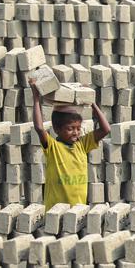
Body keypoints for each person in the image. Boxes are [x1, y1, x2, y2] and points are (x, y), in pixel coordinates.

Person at [30, 77, 111, 210]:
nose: (75, 132)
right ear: (57, 129)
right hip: (55, 211)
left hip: (78, 211)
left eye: (78, 128)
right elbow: (39, 128)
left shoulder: (82, 144)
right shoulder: (53, 147)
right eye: (70, 128)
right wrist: (36, 98)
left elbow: (106, 129)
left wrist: (91, 102)